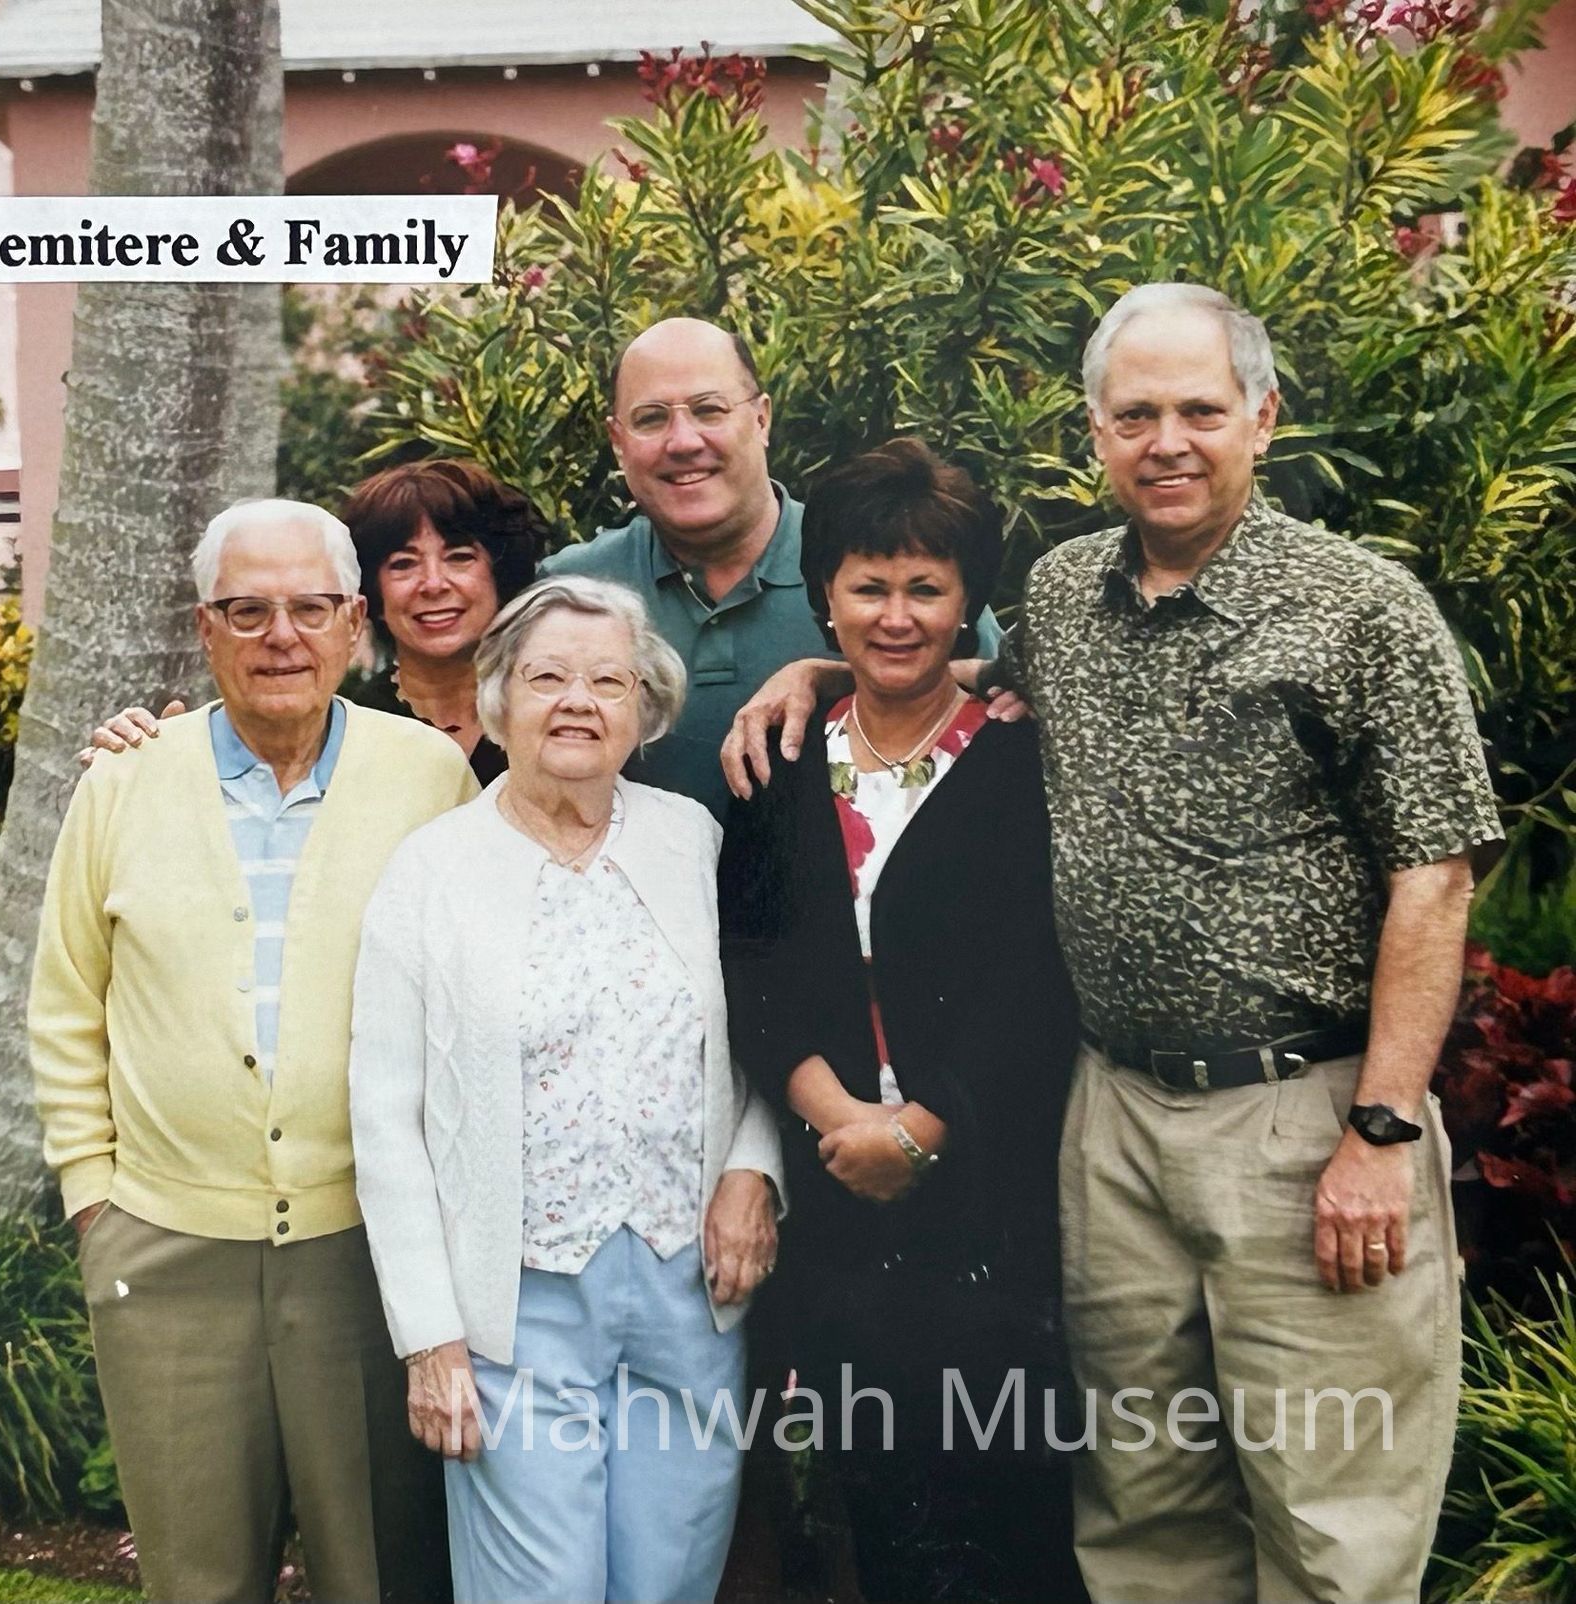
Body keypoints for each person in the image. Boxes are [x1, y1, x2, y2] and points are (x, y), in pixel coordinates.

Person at [724, 284, 1502, 1602]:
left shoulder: (1363, 611)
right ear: (1096, 432)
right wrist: (814, 673)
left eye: (1200, 409)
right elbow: (949, 674)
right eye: (1136, 414)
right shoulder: (1069, 594)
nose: (1168, 441)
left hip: (1302, 1110)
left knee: (1330, 1519)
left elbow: (1435, 877)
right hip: (1112, 1119)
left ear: (1263, 415)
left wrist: (1379, 1130)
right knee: (1144, 1513)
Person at [28, 498, 479, 1603]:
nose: (281, 636)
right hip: (166, 1252)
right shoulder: (122, 783)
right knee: (198, 1578)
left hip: (365, 1248)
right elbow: (66, 1005)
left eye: (310, 609)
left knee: (381, 1572)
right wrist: (96, 1202)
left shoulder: (429, 778)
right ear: (205, 628)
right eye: (247, 611)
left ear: (355, 624)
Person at [349, 575, 783, 1604]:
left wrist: (755, 1170)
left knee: (670, 1582)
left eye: (608, 681)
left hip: (691, 1294)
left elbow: (767, 1031)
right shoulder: (432, 869)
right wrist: (430, 1338)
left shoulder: (694, 839)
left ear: (646, 708)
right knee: (540, 1587)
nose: (578, 701)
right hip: (518, 1305)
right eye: (547, 677)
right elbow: (385, 1114)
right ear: (499, 699)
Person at [718, 438, 1083, 1604]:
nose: (895, 615)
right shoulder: (779, 760)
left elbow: (1040, 980)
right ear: (824, 594)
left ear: (968, 601)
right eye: (868, 585)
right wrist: (836, 1115)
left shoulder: (1025, 757)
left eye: (926, 587)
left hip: (993, 1198)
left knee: (1015, 1515)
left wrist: (924, 1129)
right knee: (877, 1509)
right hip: (837, 1195)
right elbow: (753, 963)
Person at [541, 317, 1001, 819]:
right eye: (651, 418)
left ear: (761, 418)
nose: (683, 441)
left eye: (709, 410)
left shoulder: (875, 565)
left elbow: (1006, 690)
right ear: (617, 440)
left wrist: (825, 676)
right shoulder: (570, 591)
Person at [84, 459, 548, 780]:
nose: (432, 583)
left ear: (499, 570)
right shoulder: (325, 717)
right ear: (367, 593)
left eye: (459, 557)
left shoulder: (547, 708)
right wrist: (142, 758)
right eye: (403, 564)